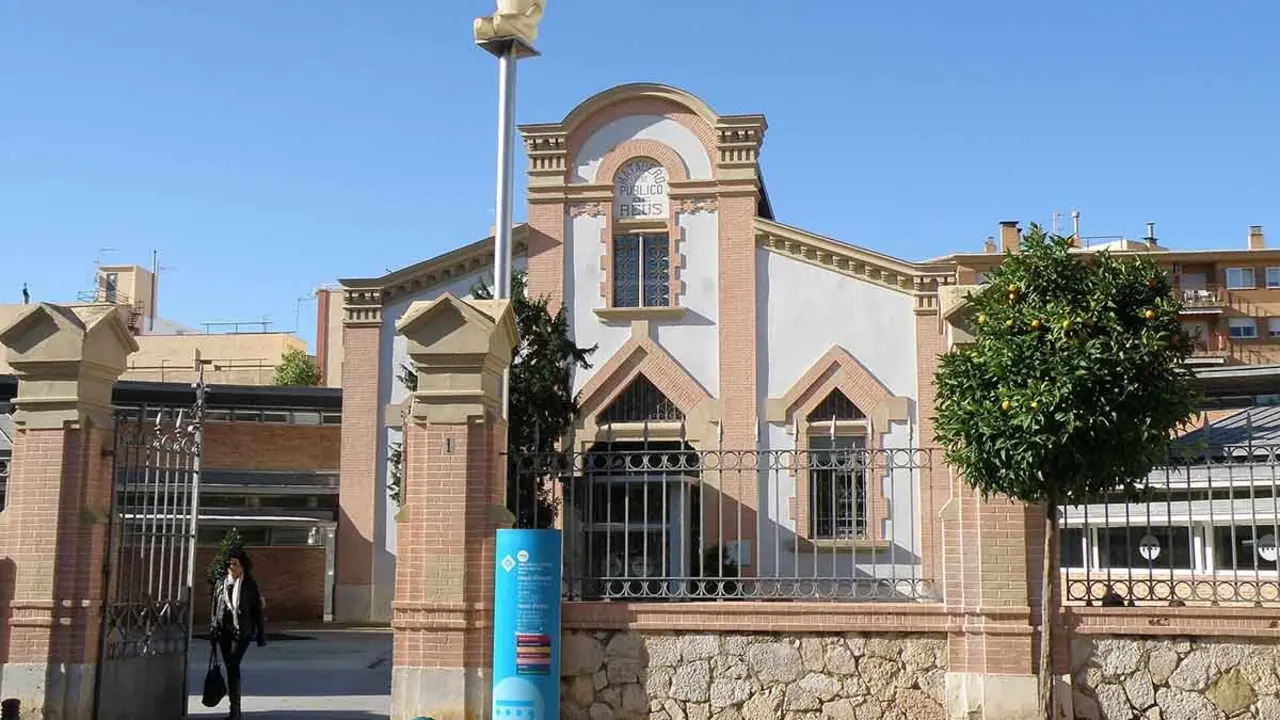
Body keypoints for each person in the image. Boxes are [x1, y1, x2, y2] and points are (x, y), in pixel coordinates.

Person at [209, 549, 267, 719]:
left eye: (235, 564)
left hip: (242, 632)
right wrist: (213, 627)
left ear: (243, 566)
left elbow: (257, 611)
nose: (231, 567)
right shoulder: (221, 583)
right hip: (223, 631)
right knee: (231, 668)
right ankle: (234, 708)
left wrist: (260, 634)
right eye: (230, 563)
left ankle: (235, 710)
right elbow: (215, 608)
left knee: (233, 665)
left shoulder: (249, 585)